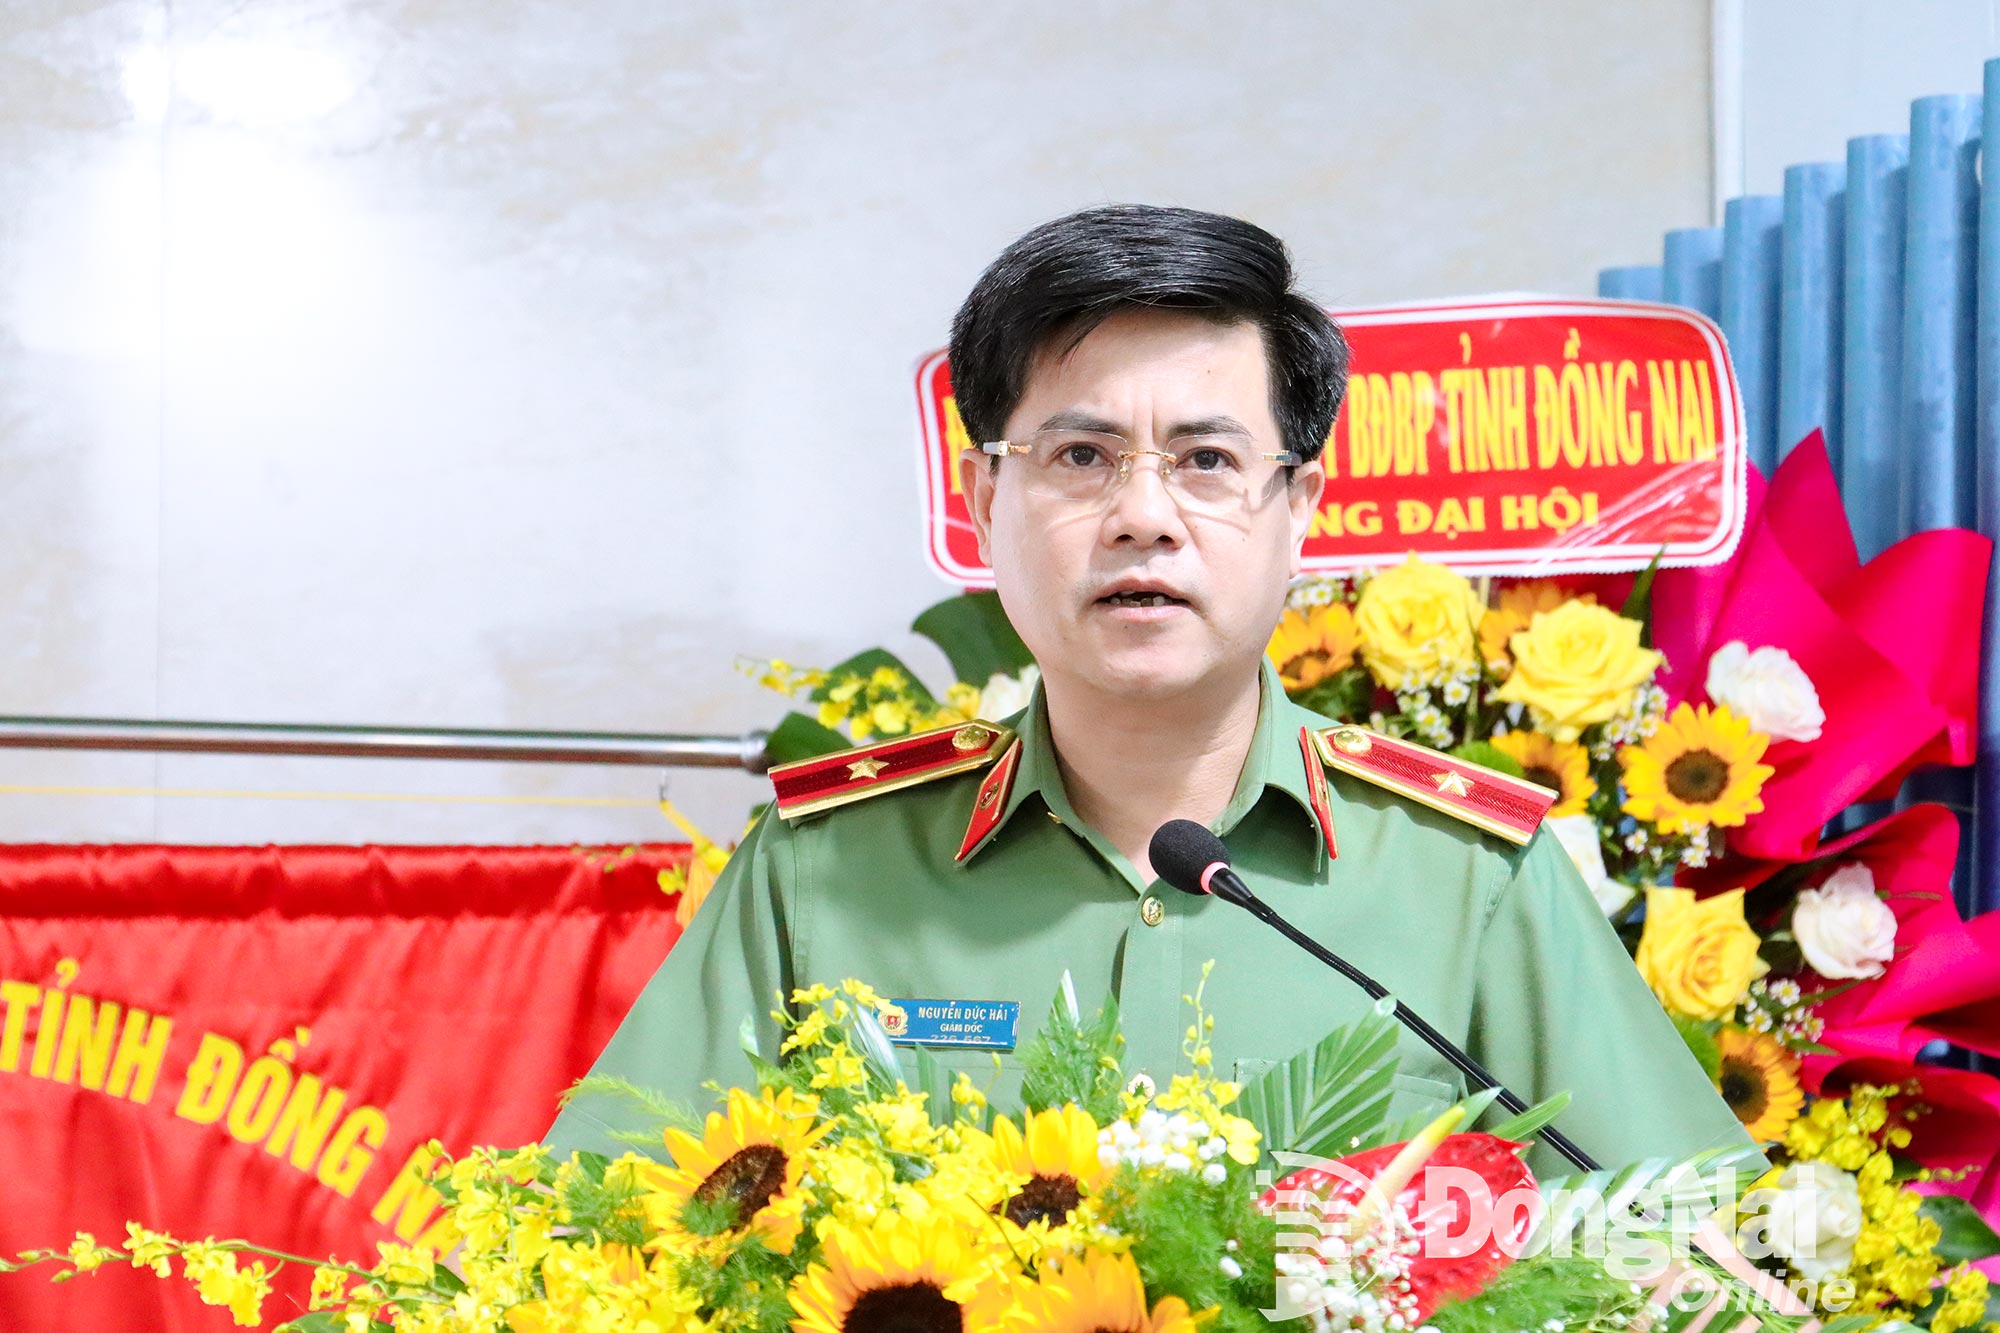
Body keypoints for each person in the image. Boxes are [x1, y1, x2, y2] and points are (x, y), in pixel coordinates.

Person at [545, 204, 1750, 1174]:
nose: (1141, 518)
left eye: (1207, 461)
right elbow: (599, 1250)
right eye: (1078, 457)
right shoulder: (817, 873)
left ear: (1299, 511)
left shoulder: (1466, 878)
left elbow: (1692, 1253)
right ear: (981, 501)